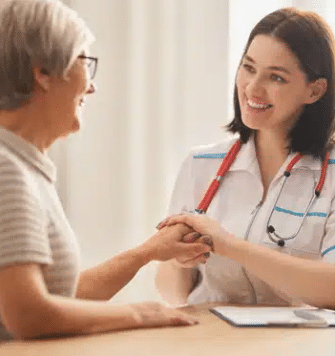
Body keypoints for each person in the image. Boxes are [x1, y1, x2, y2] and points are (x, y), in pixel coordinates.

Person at [0, 0, 213, 340]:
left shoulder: (22, 164)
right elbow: (27, 313)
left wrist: (147, 252)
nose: (92, 86)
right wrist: (141, 313)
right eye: (85, 62)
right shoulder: (6, 168)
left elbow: (60, 299)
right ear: (42, 72)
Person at [156, 7, 335, 309]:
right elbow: (173, 281)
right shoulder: (200, 165)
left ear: (314, 91)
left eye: (276, 77)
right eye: (249, 68)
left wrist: (232, 247)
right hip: (210, 342)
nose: (253, 88)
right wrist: (179, 264)